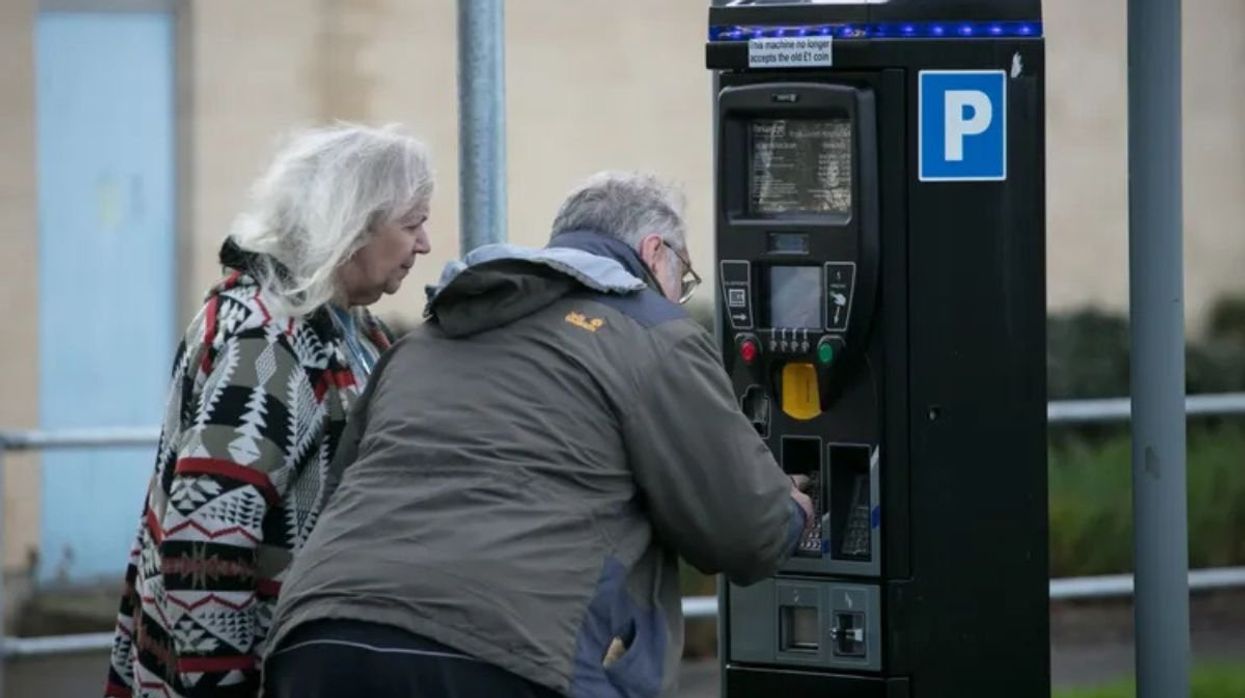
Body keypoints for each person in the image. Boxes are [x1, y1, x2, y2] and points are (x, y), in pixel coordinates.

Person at [263, 171, 814, 698]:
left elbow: (339, 495)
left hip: (319, 638)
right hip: (497, 654)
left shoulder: (424, 342)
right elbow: (743, 530)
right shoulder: (651, 333)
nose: (677, 295)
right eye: (683, 276)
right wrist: (796, 510)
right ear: (654, 254)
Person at [103, 123, 436, 698]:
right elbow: (204, 539)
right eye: (411, 224)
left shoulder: (345, 325)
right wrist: (224, 688)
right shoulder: (266, 339)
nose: (425, 244)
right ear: (351, 226)